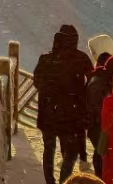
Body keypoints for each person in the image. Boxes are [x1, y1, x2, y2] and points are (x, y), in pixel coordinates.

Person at [33, 24, 94, 184]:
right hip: (70, 114)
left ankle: (50, 182)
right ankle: (64, 181)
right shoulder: (81, 59)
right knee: (70, 152)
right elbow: (92, 80)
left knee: (49, 148)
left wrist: (50, 95)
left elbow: (37, 82)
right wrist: (79, 93)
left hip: (48, 112)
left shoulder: (45, 59)